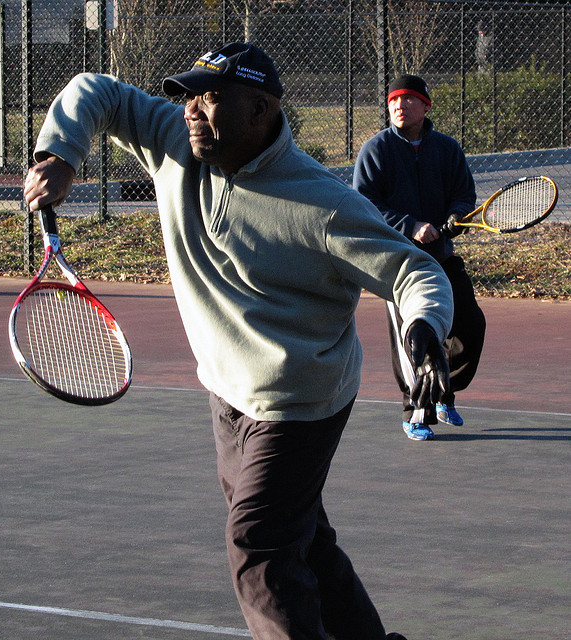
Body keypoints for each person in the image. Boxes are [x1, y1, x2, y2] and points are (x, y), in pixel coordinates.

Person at [24, 43, 453, 640]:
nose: (191, 110)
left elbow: (415, 271)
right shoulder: (175, 142)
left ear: (259, 110)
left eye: (209, 98)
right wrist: (61, 154)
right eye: (188, 96)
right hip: (227, 393)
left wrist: (424, 326)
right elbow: (97, 91)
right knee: (304, 541)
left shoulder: (323, 204)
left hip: (299, 403)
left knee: (260, 546)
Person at [353, 74, 486, 441]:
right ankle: (415, 411)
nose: (399, 105)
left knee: (470, 326)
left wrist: (456, 217)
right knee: (414, 339)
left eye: (409, 99)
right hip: (400, 264)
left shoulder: (447, 149)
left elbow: (463, 195)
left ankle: (444, 391)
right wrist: (410, 226)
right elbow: (365, 204)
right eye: (393, 100)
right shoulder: (375, 150)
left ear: (426, 106)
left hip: (442, 257)